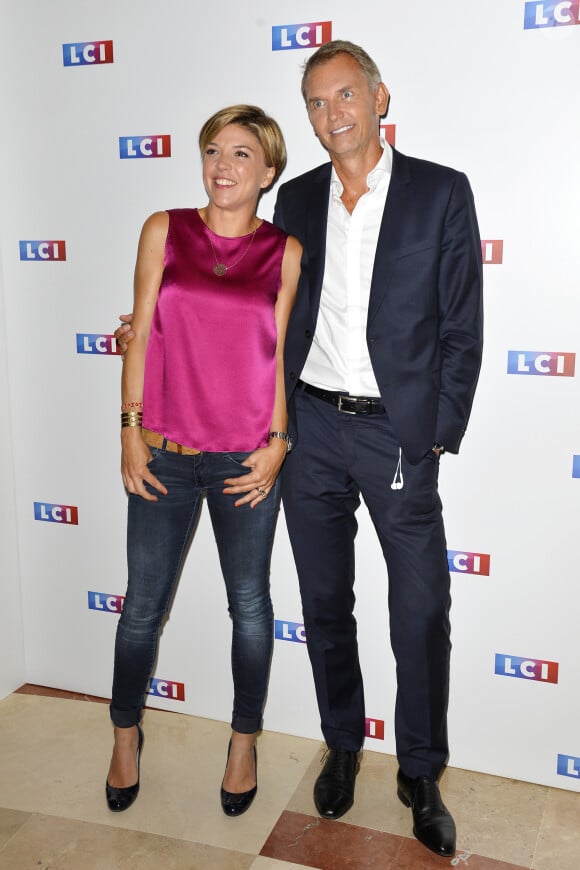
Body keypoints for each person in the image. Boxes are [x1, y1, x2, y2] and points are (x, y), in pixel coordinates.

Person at [116, 41, 483, 858]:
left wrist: (433, 431)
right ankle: (343, 744)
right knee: (325, 604)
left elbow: (462, 325)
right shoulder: (301, 202)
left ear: (379, 99)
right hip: (309, 427)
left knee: (420, 609)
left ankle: (420, 773)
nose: (332, 115)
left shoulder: (440, 194)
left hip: (396, 432)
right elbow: (247, 312)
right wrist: (145, 331)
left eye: (345, 96)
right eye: (316, 103)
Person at [105, 104, 301, 819]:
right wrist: (130, 430)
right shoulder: (165, 229)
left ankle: (243, 742)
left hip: (243, 462)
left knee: (250, 610)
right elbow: (138, 335)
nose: (223, 165)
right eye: (214, 150)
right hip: (163, 454)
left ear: (268, 172)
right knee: (140, 611)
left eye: (242, 154)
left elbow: (275, 357)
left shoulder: (286, 251)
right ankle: (126, 735)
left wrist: (279, 444)